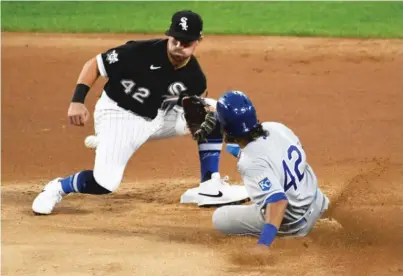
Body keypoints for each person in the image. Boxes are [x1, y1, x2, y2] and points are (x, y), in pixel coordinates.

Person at [32, 10, 248, 215]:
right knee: (105, 183)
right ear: (169, 36)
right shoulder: (138, 52)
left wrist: (200, 127)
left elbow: (193, 113)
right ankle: (58, 187)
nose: (179, 47)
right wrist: (77, 101)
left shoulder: (195, 78)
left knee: (215, 110)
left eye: (186, 43)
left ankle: (210, 184)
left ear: (199, 40)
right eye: (175, 41)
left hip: (158, 117)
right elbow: (95, 65)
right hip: (118, 115)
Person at [211, 90, 330, 247]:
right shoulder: (276, 128)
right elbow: (276, 155)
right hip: (317, 200)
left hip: (296, 223)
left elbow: (278, 201)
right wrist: (243, 153)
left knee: (220, 217)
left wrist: (263, 245)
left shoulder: (250, 163)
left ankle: (286, 235)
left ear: (226, 130)